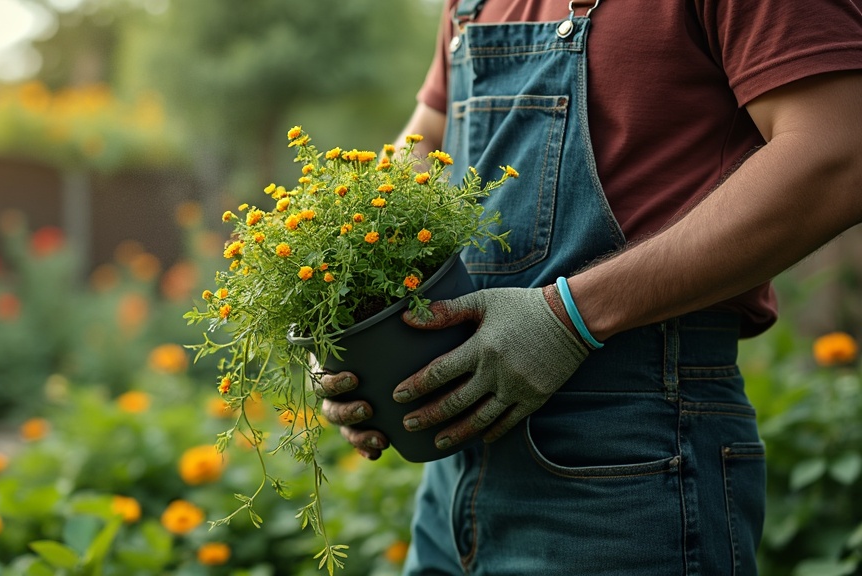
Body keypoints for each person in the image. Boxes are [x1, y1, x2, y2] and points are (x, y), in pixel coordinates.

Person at [316, 0, 862, 574]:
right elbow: (426, 139)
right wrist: (355, 326)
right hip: (456, 470)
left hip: (634, 454)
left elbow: (837, 151)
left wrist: (570, 317)